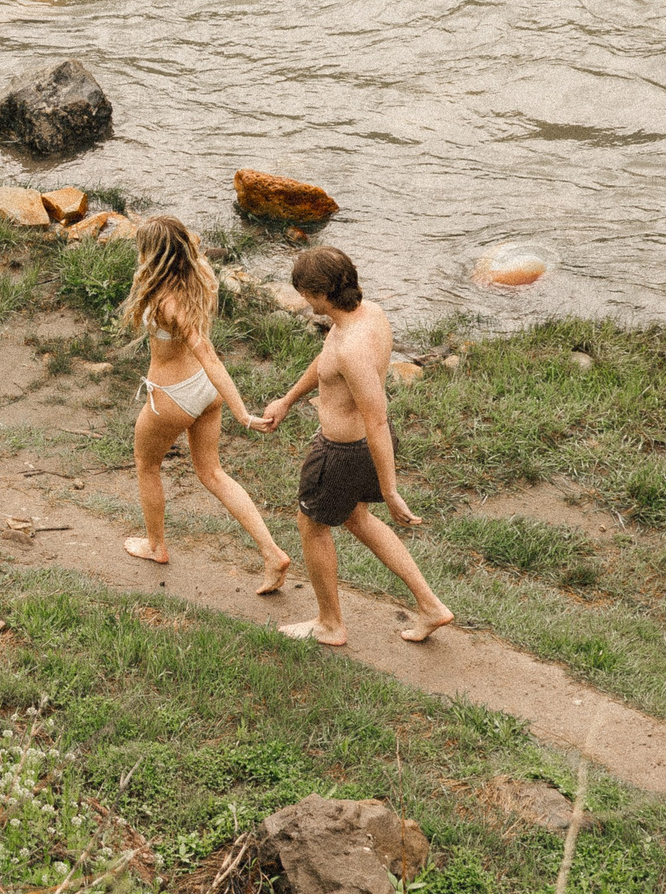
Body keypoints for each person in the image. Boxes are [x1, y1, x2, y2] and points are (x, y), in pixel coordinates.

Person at [259, 246, 455, 647]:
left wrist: (391, 489)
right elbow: (325, 360)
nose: (303, 301)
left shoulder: (352, 348)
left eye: (304, 294)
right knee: (358, 519)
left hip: (344, 452)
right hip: (359, 447)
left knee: (312, 527)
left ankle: (330, 625)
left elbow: (376, 418)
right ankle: (431, 607)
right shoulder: (368, 315)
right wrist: (288, 399)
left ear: (321, 294)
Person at [119, 214, 294, 594]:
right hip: (203, 390)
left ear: (155, 255)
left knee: (147, 466)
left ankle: (156, 545)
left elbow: (209, 354)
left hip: (173, 396)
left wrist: (243, 413)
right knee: (213, 473)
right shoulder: (203, 276)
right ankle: (271, 552)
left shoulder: (166, 302)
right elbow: (205, 361)